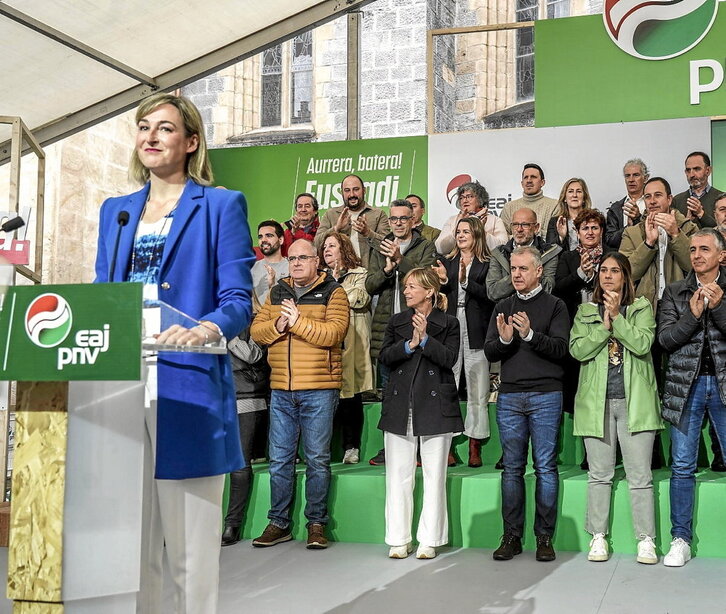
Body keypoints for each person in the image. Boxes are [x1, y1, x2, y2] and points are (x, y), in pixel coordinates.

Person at [94, 92, 254, 613]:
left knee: (190, 551)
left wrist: (208, 327)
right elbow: (102, 293)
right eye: (143, 127)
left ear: (190, 142)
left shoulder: (221, 205)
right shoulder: (115, 212)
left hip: (187, 380)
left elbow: (237, 298)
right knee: (132, 546)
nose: (151, 136)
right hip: (119, 382)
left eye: (164, 128)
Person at [250, 239, 349, 549]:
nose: (295, 263)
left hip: (319, 389)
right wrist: (280, 324)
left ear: (316, 260)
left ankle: (316, 524)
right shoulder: (278, 291)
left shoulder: (334, 291)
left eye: (302, 257)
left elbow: (334, 333)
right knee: (279, 460)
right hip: (281, 388)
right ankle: (278, 523)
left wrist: (298, 322)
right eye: (292, 258)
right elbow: (257, 331)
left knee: (318, 460)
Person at [570, 252, 662, 564]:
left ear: (625, 276)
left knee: (640, 476)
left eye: (615, 271)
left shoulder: (641, 307)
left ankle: (646, 540)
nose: (608, 276)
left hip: (635, 402)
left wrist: (618, 319)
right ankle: (598, 536)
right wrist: (603, 325)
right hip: (596, 404)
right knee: (599, 475)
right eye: (603, 271)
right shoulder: (585, 310)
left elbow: (643, 344)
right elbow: (578, 349)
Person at [484, 247, 570, 562]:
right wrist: (507, 339)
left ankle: (544, 538)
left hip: (547, 395)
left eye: (522, 269)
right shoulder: (502, 306)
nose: (516, 274)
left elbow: (562, 349)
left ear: (538, 272)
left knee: (545, 467)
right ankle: (511, 536)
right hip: (509, 396)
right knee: (512, 469)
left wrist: (531, 334)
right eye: (513, 269)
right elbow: (490, 351)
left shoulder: (555, 306)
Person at [378, 267, 462, 560]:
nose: (406, 291)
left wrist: (426, 339)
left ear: (429, 291)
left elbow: (449, 359)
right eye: (405, 286)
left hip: (435, 405)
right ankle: (399, 538)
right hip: (401, 406)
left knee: (434, 475)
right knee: (398, 476)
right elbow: (385, 358)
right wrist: (409, 344)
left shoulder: (449, 323)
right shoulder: (397, 321)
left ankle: (429, 538)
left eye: (412, 286)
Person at [657, 229, 726, 567]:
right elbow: (666, 340)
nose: (697, 254)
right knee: (682, 467)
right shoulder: (674, 292)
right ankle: (680, 538)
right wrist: (693, 315)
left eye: (705, 249)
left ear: (721, 256)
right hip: (686, 388)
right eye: (694, 249)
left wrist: (719, 307)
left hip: (724, 387)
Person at [366, 199, 436, 465]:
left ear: (412, 220)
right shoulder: (378, 246)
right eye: (393, 219)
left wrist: (400, 260)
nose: (397, 223)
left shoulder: (424, 246)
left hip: (417, 326)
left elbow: (428, 279)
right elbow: (370, 284)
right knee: (390, 392)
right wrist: (386, 269)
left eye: (403, 219)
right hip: (388, 330)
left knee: (417, 390)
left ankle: (418, 448)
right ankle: (390, 447)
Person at [433, 216, 494, 467]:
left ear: (477, 234)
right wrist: (445, 281)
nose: (460, 235)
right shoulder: (446, 262)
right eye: (458, 231)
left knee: (478, 387)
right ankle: (446, 442)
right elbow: (437, 296)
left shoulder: (487, 263)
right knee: (448, 383)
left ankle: (474, 443)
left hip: (477, 328)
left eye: (466, 231)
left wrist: (466, 282)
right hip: (450, 325)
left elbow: (491, 296)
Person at [319, 232, 374, 464]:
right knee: (325, 397)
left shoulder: (359, 274)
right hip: (325, 345)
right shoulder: (318, 277)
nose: (327, 250)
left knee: (350, 396)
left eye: (332, 245)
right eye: (324, 247)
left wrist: (333, 287)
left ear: (344, 249)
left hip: (352, 343)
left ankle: (352, 447)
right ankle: (324, 450)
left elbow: (360, 299)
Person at [221, 326, 270, 547]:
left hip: (246, 398)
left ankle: (233, 524)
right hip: (212, 397)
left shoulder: (252, 323)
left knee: (239, 464)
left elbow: (254, 355)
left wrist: (226, 334)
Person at [620, 177, 698, 312]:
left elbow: (695, 267)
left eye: (658, 195)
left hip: (681, 306)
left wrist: (676, 234)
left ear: (669, 199)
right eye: (648, 197)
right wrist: (648, 244)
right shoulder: (631, 232)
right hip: (642, 308)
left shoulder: (689, 228)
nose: (652, 201)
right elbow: (625, 274)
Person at [314, 174, 390, 269]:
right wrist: (336, 228)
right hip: (337, 274)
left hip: (368, 274)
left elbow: (388, 247)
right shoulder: (331, 214)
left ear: (364, 190)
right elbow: (316, 245)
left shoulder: (378, 214)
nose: (352, 195)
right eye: (347, 190)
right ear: (342, 193)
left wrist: (368, 233)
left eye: (356, 189)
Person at [486, 207, 561, 303]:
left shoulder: (549, 252)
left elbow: (547, 288)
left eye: (525, 225)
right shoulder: (499, 253)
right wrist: (524, 273)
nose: (519, 229)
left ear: (536, 228)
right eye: (515, 224)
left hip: (538, 310)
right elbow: (493, 292)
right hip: (506, 312)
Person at [435, 181, 507, 253]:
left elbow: (502, 247)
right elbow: (440, 248)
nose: (465, 201)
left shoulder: (494, 220)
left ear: (480, 199)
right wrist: (457, 229)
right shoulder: (452, 220)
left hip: (485, 262)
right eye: (461, 198)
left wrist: (481, 233)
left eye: (469, 196)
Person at [499, 164, 559, 239]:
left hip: (545, 250)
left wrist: (520, 236)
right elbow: (503, 238)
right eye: (526, 177)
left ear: (542, 182)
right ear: (522, 183)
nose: (529, 180)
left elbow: (555, 237)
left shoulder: (555, 205)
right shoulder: (509, 207)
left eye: (533, 177)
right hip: (514, 250)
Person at [672, 152, 725, 229]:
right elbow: (673, 233)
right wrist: (686, 222)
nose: (692, 174)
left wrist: (701, 214)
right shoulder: (677, 200)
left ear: (708, 170)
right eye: (688, 170)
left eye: (697, 169)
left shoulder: (722, 199)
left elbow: (723, 230)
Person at [605, 159, 649, 249]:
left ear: (645, 178)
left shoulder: (652, 204)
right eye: (627, 176)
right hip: (623, 258)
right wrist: (628, 228)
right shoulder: (616, 208)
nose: (631, 180)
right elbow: (610, 241)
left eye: (636, 175)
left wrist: (638, 218)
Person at [546, 177, 592, 251]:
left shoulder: (593, 220)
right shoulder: (555, 221)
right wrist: (561, 237)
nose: (574, 195)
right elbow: (549, 251)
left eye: (579, 191)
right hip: (563, 261)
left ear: (584, 198)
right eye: (570, 191)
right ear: (564, 198)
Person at [252, 220, 289, 307]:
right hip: (256, 318)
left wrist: (273, 285)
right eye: (260, 237)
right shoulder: (251, 269)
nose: (263, 240)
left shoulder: (291, 267)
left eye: (269, 236)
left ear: (281, 240)